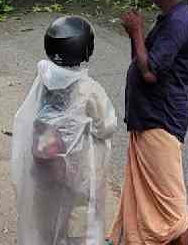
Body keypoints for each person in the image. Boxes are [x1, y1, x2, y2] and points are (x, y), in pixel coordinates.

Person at [111, 0, 188, 245]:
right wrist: (135, 36)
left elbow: (149, 73)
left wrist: (137, 32)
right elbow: (143, 62)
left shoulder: (178, 23)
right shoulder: (170, 18)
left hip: (161, 121)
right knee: (146, 200)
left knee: (173, 208)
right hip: (148, 118)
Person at [12, 16, 117, 245]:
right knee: (78, 224)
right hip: (74, 174)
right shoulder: (88, 90)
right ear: (85, 49)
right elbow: (107, 126)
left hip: (43, 170)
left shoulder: (42, 79)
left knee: (45, 223)